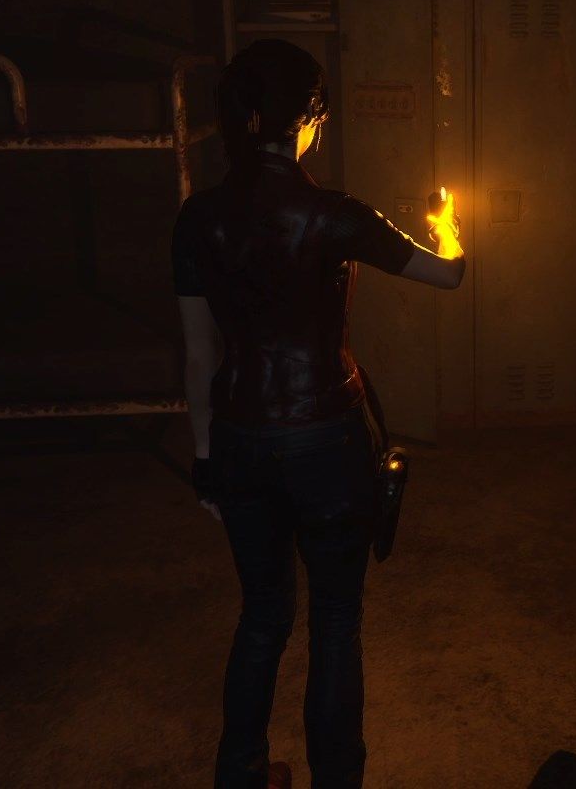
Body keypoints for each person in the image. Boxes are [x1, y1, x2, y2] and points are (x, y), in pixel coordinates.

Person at [172, 39, 464, 789]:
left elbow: (199, 356)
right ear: (308, 117)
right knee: (336, 621)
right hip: (328, 439)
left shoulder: (198, 217)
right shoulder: (337, 215)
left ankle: (239, 776)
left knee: (262, 616)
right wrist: (450, 224)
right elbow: (448, 275)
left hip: (239, 437)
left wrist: (204, 459)